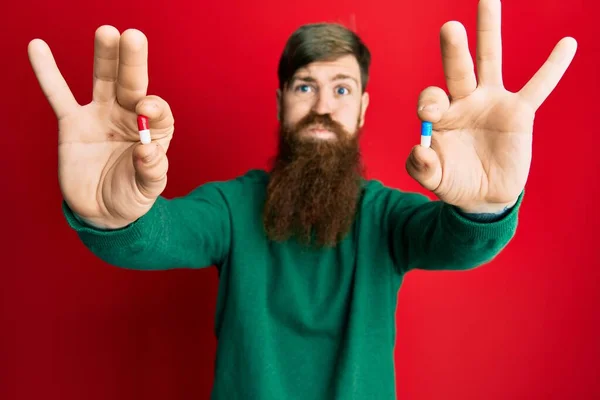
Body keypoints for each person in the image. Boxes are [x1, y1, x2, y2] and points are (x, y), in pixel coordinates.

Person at [27, 0, 576, 398]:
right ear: (280, 102)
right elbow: (157, 235)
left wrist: (486, 206)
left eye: (342, 88)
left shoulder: (385, 218)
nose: (322, 105)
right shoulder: (232, 208)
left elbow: (459, 243)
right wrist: (109, 214)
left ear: (362, 109)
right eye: (304, 85)